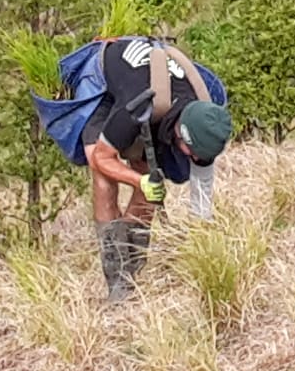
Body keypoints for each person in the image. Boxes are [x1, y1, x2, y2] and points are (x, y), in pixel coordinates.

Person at [31, 35, 233, 301]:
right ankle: (117, 281)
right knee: (105, 176)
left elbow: (201, 202)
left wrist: (202, 249)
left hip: (154, 93)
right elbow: (101, 158)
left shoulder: (206, 127)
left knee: (152, 174)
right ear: (180, 134)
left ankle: (133, 267)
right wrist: (138, 182)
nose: (194, 160)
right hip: (102, 80)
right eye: (191, 153)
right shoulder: (138, 104)